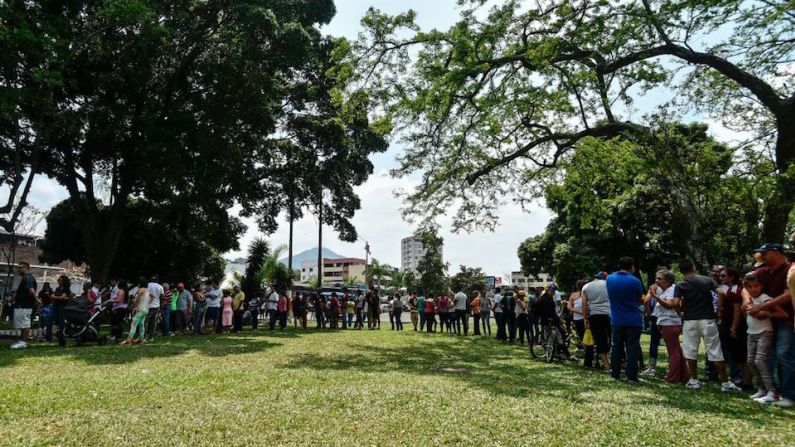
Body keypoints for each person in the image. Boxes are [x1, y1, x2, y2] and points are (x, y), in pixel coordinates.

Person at [674, 260, 741, 391]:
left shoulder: (680, 285)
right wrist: (718, 311)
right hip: (708, 319)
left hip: (690, 320)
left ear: (681, 271)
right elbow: (721, 293)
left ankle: (694, 380)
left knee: (691, 350)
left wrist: (680, 313)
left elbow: (676, 302)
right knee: (715, 351)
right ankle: (725, 382)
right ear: (693, 267)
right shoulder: (706, 280)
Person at [743, 242, 794, 408]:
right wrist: (748, 302)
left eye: (765, 253)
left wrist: (761, 307)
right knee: (764, 358)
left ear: (776, 252)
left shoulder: (790, 269)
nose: (762, 256)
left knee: (784, 355)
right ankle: (766, 390)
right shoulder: (763, 271)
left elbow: (789, 294)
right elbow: (745, 286)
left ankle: (788, 395)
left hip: (785, 319)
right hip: (764, 322)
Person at [744, 272, 787, 403]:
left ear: (761, 286)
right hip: (751, 333)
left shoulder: (765, 298)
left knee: (760, 361)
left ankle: (772, 391)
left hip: (765, 332)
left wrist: (767, 313)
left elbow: (783, 314)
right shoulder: (749, 300)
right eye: (750, 287)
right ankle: (761, 388)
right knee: (750, 361)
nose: (753, 289)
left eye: (756, 286)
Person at [606, 257, 644, 383]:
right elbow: (639, 299)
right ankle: (631, 376)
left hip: (616, 319)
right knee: (632, 348)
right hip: (633, 319)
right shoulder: (635, 281)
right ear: (632, 267)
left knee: (616, 346)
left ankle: (615, 374)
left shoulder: (609, 279)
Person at [648, 270, 688, 383]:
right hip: (670, 323)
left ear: (668, 280)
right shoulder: (667, 290)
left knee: (673, 351)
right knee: (677, 350)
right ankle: (682, 375)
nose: (656, 281)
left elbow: (670, 305)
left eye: (660, 279)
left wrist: (655, 297)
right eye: (656, 278)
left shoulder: (671, 291)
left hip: (670, 323)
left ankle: (672, 377)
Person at [720, 267, 752, 388]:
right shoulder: (733, 289)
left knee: (741, 355)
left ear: (731, 277)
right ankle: (745, 380)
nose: (721, 277)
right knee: (737, 355)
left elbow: (737, 310)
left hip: (737, 325)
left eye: (723, 276)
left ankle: (747, 381)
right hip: (734, 323)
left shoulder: (734, 290)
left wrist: (733, 328)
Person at [582, 272, 611, 371]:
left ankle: (607, 365)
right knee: (613, 339)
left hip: (594, 316)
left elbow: (584, 305)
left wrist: (585, 318)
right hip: (609, 314)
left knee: (600, 340)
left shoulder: (586, 286)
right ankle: (617, 363)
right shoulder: (608, 284)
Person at [121, 279, 151, 346]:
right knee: (141, 325)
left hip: (140, 309)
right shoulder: (148, 290)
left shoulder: (140, 290)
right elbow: (153, 296)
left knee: (133, 325)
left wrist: (134, 306)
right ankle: (141, 340)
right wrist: (148, 303)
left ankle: (128, 341)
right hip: (145, 309)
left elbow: (137, 300)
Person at [48, 275, 71, 347]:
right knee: (50, 320)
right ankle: (48, 336)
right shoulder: (58, 288)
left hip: (62, 307)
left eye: (60, 280)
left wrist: (54, 297)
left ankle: (61, 339)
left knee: (61, 323)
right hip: (55, 306)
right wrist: (57, 297)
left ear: (64, 281)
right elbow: (59, 297)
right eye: (58, 280)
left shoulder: (66, 289)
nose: (59, 281)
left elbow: (62, 297)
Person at [567, 281, 586, 349]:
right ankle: (586, 349)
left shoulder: (586, 293)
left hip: (582, 318)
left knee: (583, 335)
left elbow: (569, 307)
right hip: (580, 318)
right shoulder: (573, 295)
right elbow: (569, 306)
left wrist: (578, 311)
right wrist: (580, 311)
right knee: (582, 335)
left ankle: (587, 349)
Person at [145, 276, 164, 341]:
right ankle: (151, 337)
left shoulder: (148, 285)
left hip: (147, 305)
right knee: (153, 322)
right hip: (156, 306)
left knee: (145, 320)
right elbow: (162, 297)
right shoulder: (160, 286)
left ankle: (145, 335)